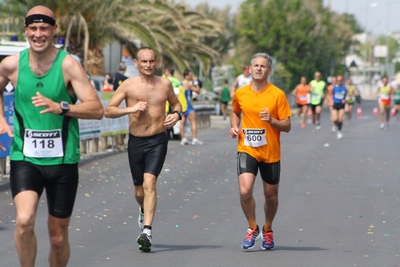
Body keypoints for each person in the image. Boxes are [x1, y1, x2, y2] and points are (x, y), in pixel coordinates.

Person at [0, 5, 104, 267]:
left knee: (57, 237)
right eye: (33, 28)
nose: (38, 34)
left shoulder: (68, 65)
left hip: (63, 161)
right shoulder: (11, 65)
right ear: (26, 30)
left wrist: (62, 107)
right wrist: (1, 118)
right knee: (24, 220)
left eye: (44, 28)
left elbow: (96, 108)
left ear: (54, 30)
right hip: (25, 157)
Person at [104, 46, 182, 252]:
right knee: (139, 190)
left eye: (151, 61)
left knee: (150, 182)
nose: (148, 65)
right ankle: (142, 209)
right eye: (144, 62)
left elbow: (176, 104)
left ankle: (146, 231)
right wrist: (131, 108)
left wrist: (176, 115)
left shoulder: (164, 84)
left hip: (158, 140)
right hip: (136, 142)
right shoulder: (128, 86)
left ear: (156, 63)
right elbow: (108, 111)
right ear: (136, 64)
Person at [229, 52, 291, 251]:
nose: (258, 68)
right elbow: (234, 112)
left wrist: (271, 121)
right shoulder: (241, 93)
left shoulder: (277, 94)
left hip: (270, 152)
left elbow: (287, 125)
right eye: (255, 65)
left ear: (269, 70)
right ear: (249, 68)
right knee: (245, 190)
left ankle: (268, 229)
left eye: (262, 66)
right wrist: (234, 126)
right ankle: (252, 227)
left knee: (271, 196)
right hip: (247, 148)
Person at [180, 69, 203, 145]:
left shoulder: (181, 84)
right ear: (186, 76)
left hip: (182, 106)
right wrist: (196, 82)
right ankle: (194, 139)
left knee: (182, 123)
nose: (192, 77)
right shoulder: (188, 84)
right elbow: (198, 91)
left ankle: (183, 139)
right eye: (190, 75)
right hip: (188, 106)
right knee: (193, 121)